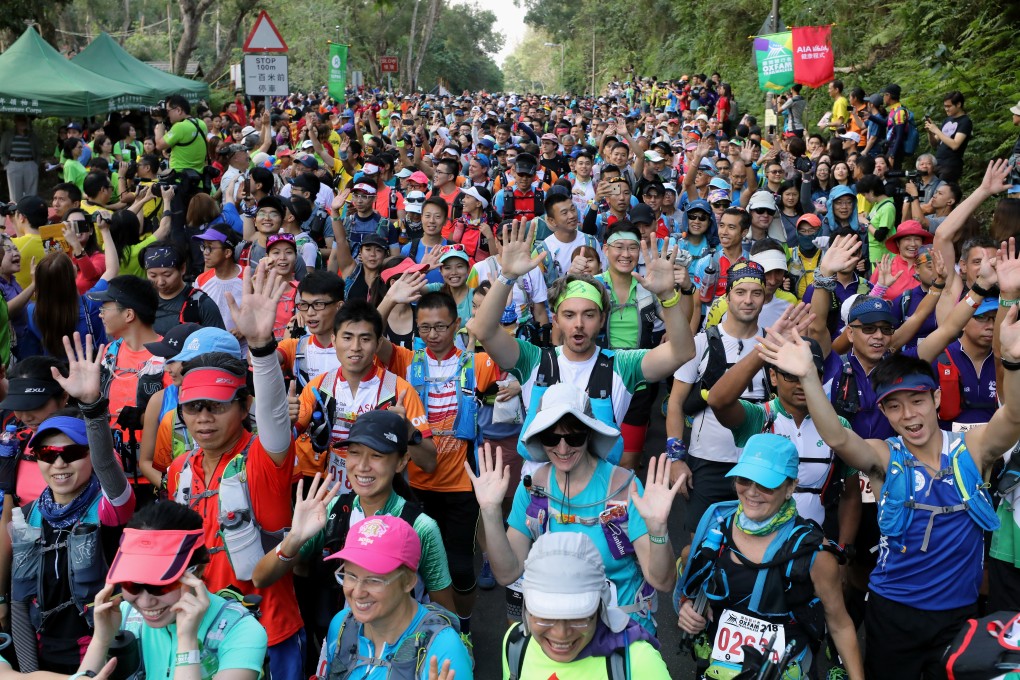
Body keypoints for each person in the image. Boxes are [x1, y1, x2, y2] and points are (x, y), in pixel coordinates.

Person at [758, 241, 1020, 678]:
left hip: (958, 616)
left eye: (916, 401)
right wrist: (806, 374)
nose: (908, 416)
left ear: (936, 398)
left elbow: (1013, 415)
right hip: (892, 612)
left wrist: (1011, 355)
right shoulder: (884, 456)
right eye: (894, 407)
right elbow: (839, 438)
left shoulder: (971, 449)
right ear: (882, 413)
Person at [165, 259, 304, 680]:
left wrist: (262, 349)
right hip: (202, 630)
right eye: (193, 408)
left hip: (269, 630)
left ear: (244, 407)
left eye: (217, 406)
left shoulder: (264, 458)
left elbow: (278, 424)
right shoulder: (178, 469)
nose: (203, 419)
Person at [469, 219, 695, 468]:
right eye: (569, 315)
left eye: (589, 314)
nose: (578, 324)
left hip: (597, 498)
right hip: (538, 496)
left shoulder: (622, 365)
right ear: (555, 320)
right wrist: (507, 276)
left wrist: (667, 296)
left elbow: (682, 352)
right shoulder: (534, 360)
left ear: (601, 320)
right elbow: (484, 330)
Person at [468, 382, 682, 634]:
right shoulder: (532, 488)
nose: (562, 448)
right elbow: (507, 573)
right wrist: (491, 511)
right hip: (559, 636)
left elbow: (663, 581)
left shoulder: (624, 488)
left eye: (574, 437)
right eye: (551, 437)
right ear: (540, 438)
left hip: (622, 631)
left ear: (589, 434)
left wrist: (658, 529)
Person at [253, 411, 456, 646]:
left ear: (401, 461)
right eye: (354, 453)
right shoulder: (330, 513)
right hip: (340, 650)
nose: (362, 466)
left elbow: (445, 613)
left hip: (403, 653)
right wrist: (295, 538)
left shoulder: (421, 527)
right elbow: (261, 578)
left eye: (376, 455)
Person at [675, 434, 864, 680]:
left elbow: (839, 624)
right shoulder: (716, 525)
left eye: (766, 483)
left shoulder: (814, 552)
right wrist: (689, 610)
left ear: (790, 487)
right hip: (718, 671)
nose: (752, 492)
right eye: (745, 479)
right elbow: (692, 583)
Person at [8, 332, 136, 673]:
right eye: (48, 453)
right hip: (42, 653)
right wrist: (28, 671)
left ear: (90, 455)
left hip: (103, 654)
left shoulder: (110, 506)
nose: (59, 463)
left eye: (73, 452)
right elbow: (21, 602)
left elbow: (107, 464)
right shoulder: (29, 514)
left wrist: (93, 407)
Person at [81, 502, 267, 680]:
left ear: (198, 571)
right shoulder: (121, 616)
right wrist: (101, 640)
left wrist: (187, 641)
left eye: (161, 586)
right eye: (133, 584)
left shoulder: (242, 631)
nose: (145, 602)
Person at [313, 515, 474, 680]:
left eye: (374, 580)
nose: (358, 592)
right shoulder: (341, 626)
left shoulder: (443, 650)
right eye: (351, 576)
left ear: (409, 581)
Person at [501, 532, 669, 680]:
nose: (561, 634)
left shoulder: (639, 662)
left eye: (578, 617)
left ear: (600, 608)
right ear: (526, 610)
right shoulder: (515, 644)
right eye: (545, 616)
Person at [925, 91, 972, 183]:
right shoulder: (947, 120)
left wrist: (936, 130)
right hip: (938, 162)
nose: (946, 109)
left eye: (949, 106)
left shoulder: (965, 121)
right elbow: (934, 144)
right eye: (945, 106)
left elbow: (955, 145)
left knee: (943, 192)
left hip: (951, 164)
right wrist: (930, 132)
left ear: (958, 104)